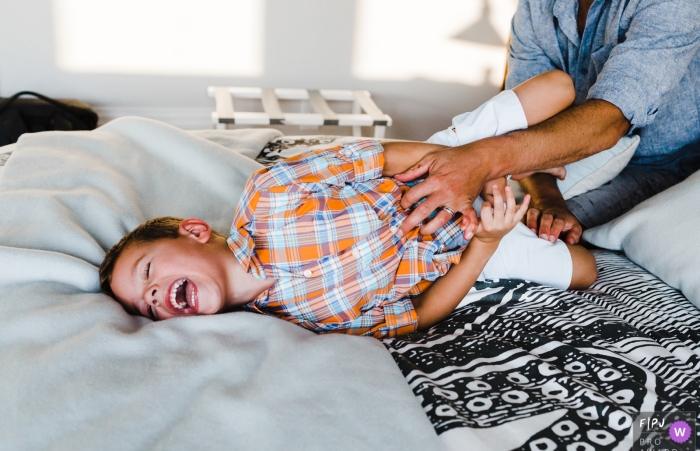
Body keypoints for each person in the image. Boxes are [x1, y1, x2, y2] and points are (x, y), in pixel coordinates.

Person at [98, 71, 597, 338]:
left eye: (148, 272)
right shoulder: (297, 323)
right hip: (469, 245)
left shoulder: (269, 195)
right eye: (148, 307)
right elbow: (421, 313)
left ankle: (523, 165)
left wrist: (473, 166)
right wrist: (487, 242)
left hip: (437, 163)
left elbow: (381, 157)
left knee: (558, 89)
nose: (158, 296)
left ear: (194, 230)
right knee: (584, 270)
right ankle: (525, 180)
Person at [396, 0, 700, 245]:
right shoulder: (536, 8)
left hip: (666, 167)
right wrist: (546, 197)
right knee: (500, 220)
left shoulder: (673, 5)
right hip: (568, 156)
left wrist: (482, 159)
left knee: (530, 239)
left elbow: (610, 119)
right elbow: (523, 122)